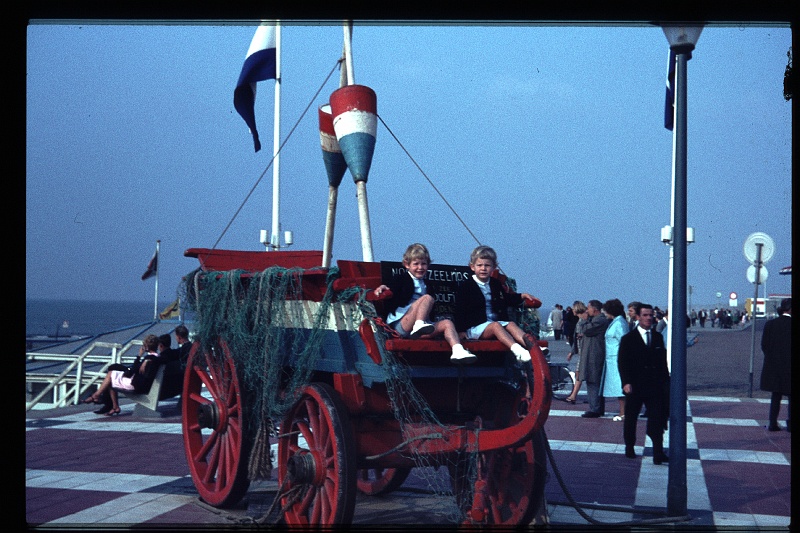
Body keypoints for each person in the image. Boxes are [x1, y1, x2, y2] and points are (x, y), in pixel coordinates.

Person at [375, 243, 476, 364]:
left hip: (418, 333)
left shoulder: (427, 283)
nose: (420, 267)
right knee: (427, 298)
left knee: (447, 323)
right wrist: (382, 287)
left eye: (423, 264)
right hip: (401, 326)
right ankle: (419, 324)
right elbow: (390, 288)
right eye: (416, 264)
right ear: (407, 265)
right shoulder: (401, 279)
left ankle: (457, 350)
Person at [453, 245, 536, 363]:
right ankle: (518, 351)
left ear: (494, 267)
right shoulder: (466, 286)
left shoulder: (495, 284)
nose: (483, 269)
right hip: (475, 327)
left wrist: (521, 296)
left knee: (511, 324)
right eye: (479, 265)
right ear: (472, 267)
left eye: (487, 265)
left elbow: (506, 299)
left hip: (493, 324)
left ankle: (533, 348)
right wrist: (460, 331)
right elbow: (459, 309)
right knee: (496, 326)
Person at [618, 303, 670, 464]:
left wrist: (665, 383)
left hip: (654, 386)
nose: (649, 318)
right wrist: (626, 382)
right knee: (631, 418)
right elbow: (622, 362)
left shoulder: (657, 337)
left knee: (657, 419)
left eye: (651, 315)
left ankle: (658, 452)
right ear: (638, 317)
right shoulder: (628, 339)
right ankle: (629, 447)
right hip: (635, 385)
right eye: (645, 315)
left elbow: (662, 362)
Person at [83, 334, 164, 416]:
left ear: (146, 347)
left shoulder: (149, 358)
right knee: (113, 371)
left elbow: (133, 370)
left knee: (111, 374)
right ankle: (113, 406)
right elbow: (137, 368)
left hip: (136, 385)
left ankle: (97, 396)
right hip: (141, 383)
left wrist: (139, 356)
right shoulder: (155, 357)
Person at [760, 298, 791, 432]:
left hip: (775, 367)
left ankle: (772, 423)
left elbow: (764, 345)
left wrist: (772, 358)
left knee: (776, 396)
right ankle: (791, 424)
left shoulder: (770, 324)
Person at [578, 299, 610, 418]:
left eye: (589, 307)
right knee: (594, 381)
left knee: (593, 382)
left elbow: (587, 330)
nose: (587, 310)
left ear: (594, 309)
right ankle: (596, 407)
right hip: (593, 355)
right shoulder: (597, 320)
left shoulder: (600, 320)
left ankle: (595, 408)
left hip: (594, 356)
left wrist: (583, 320)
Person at [601, 299, 629, 421]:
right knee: (618, 387)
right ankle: (622, 411)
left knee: (620, 386)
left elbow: (624, 342)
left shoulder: (619, 324)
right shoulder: (616, 322)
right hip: (612, 359)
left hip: (617, 358)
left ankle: (624, 412)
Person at [563, 300, 587, 403]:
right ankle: (574, 395)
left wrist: (572, 352)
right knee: (580, 373)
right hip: (582, 352)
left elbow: (579, 338)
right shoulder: (581, 321)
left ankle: (573, 395)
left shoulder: (581, 322)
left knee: (579, 373)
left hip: (584, 352)